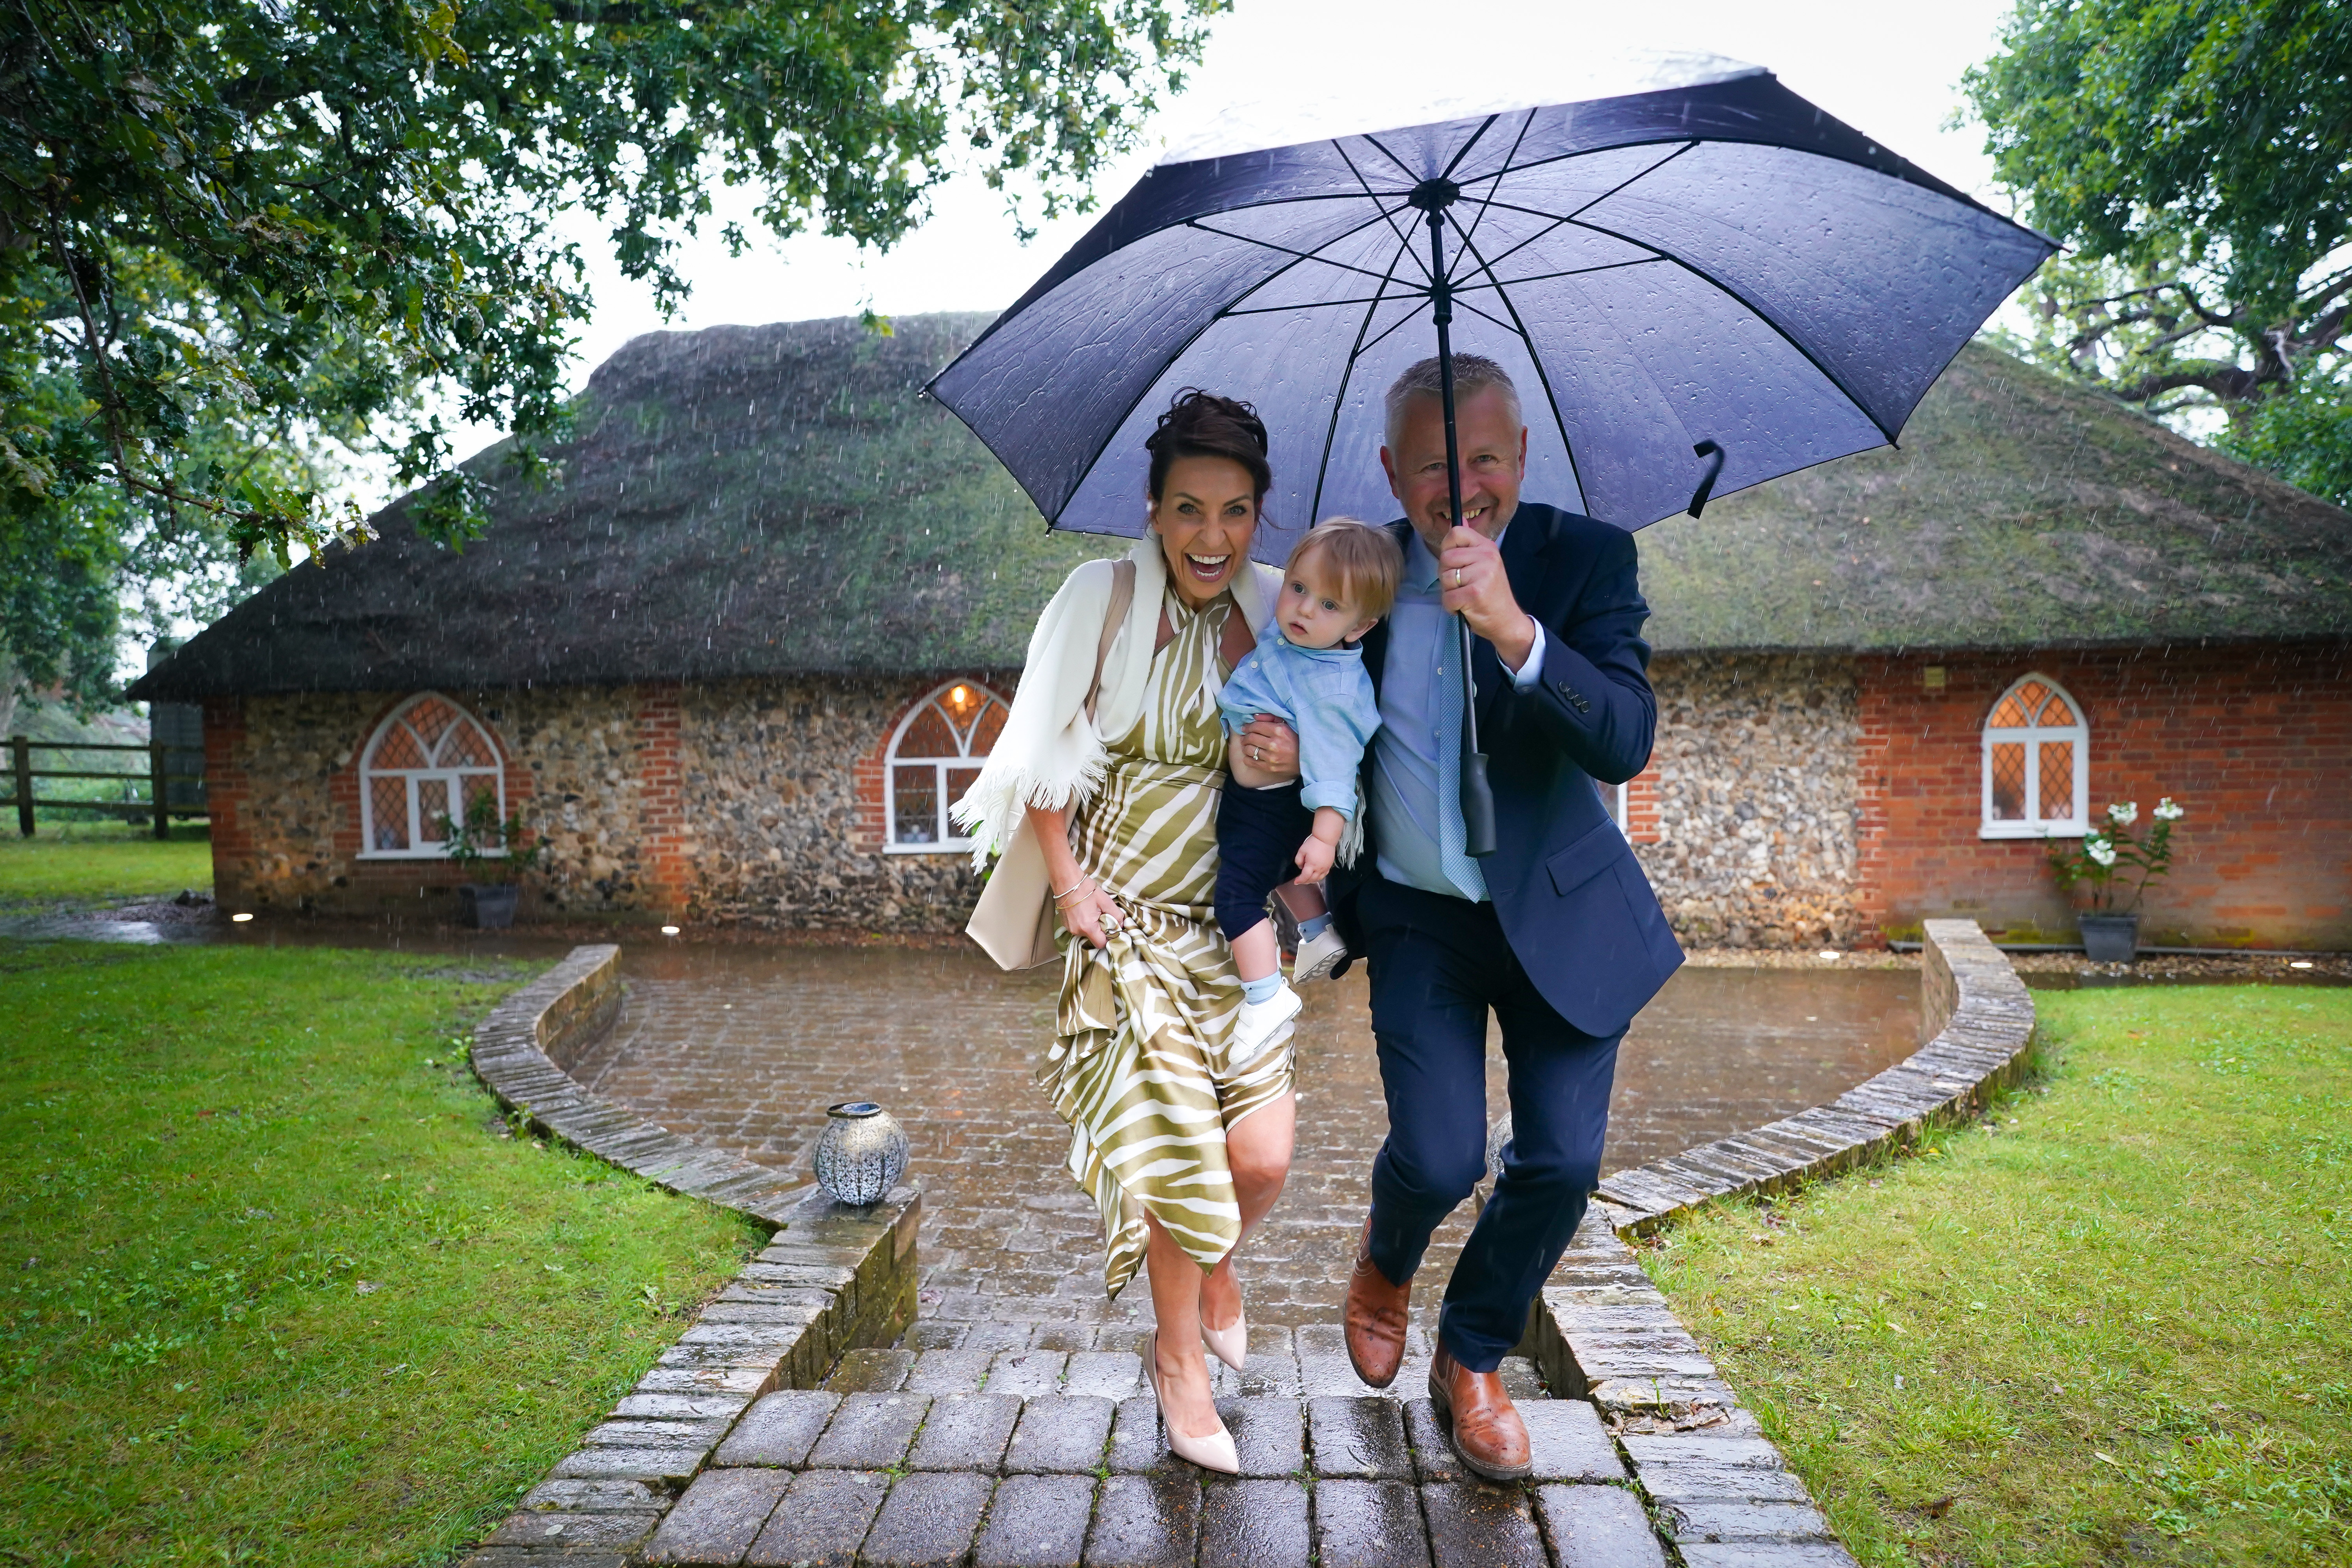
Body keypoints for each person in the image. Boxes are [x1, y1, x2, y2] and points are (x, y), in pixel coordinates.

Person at [1325, 354, 1684, 1481]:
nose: (1462, 484)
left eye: (1484, 457)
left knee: (1563, 1162)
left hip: (1561, 915)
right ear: (1394, 470)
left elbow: (1625, 735)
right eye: (1434, 464)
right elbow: (1294, 693)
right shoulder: (1360, 570)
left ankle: (1472, 1353)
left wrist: (1521, 635)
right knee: (1438, 1159)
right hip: (1420, 916)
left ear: (1519, 457)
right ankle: (1387, 1262)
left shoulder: (1587, 558)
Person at [953, 390, 1303, 1475]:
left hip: (1235, 936)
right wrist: (1069, 889)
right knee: (1182, 1161)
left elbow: (1340, 737)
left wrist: (1300, 772)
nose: (1212, 537)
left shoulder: (1285, 608)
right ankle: (1177, 1360)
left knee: (1262, 1156)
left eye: (1236, 512)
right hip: (1129, 932)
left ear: (1260, 516)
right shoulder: (1097, 599)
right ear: (1152, 508)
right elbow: (1041, 756)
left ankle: (1214, 1268)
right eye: (1190, 509)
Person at [1215, 518, 1401, 1050]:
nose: (1303, 610)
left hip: (1274, 804)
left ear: (1360, 627)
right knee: (1281, 870)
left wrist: (1324, 837)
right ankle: (1319, 932)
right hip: (1259, 798)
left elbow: (1337, 770)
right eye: (1298, 589)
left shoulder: (1334, 688)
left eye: (1328, 606)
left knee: (1236, 895)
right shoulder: (1299, 640)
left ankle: (1265, 995)